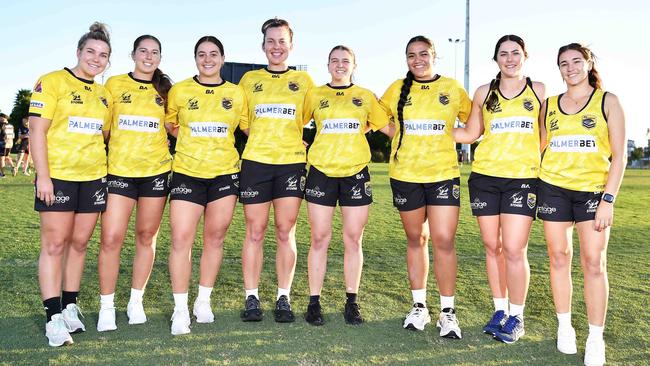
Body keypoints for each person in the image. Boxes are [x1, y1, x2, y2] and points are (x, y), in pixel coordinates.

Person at [538, 43, 625, 366]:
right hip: (553, 190)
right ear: (558, 69)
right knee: (559, 258)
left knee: (593, 263)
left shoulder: (608, 102)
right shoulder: (549, 105)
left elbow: (620, 155)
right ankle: (565, 327)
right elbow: (539, 148)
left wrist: (608, 199)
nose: (570, 67)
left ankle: (594, 337)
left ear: (589, 64)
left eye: (576, 61)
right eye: (564, 63)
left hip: (593, 193)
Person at [454, 35, 545, 343]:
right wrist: (426, 128)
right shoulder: (484, 92)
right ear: (496, 60)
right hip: (484, 178)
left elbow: (543, 135)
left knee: (515, 249)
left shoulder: (539, 91)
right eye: (503, 54)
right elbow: (471, 133)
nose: (510, 58)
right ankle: (500, 310)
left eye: (515, 53)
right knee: (493, 247)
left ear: (525, 56)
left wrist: (526, 159)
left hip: (523, 179)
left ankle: (517, 316)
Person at [380, 36, 471, 338]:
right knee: (416, 238)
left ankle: (448, 312)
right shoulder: (396, 89)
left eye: (423, 54)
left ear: (435, 55)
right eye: (411, 56)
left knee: (443, 240)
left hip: (443, 174)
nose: (417, 60)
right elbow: (378, 119)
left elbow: (473, 126)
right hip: (405, 175)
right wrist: (397, 133)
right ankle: (419, 306)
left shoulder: (452, 88)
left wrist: (448, 135)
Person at [28, 22, 112, 347]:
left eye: (103, 55)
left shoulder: (104, 96)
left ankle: (69, 306)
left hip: (93, 178)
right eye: (90, 51)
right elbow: (37, 131)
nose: (96, 58)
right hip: (58, 177)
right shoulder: (52, 82)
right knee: (54, 245)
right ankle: (52, 318)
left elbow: (102, 137)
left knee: (79, 244)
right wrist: (44, 176)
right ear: (78, 52)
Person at [302, 45, 389, 326]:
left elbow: (383, 125)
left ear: (354, 65)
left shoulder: (364, 96)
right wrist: (303, 144)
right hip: (321, 173)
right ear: (327, 65)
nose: (340, 65)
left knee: (353, 239)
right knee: (319, 238)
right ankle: (314, 302)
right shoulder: (315, 94)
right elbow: (297, 124)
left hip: (355, 173)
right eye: (335, 60)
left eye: (346, 61)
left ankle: (352, 301)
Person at [165, 36, 247, 335]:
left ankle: (203, 301)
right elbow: (170, 125)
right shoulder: (180, 91)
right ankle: (180, 309)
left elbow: (248, 127)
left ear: (222, 59)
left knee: (214, 239)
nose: (207, 59)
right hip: (187, 172)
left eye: (214, 54)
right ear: (195, 58)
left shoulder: (236, 94)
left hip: (225, 174)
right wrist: (191, 145)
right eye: (202, 54)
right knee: (181, 239)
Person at [238, 17, 314, 323]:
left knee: (286, 231)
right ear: (263, 45)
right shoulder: (248, 81)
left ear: (291, 46)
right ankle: (251, 297)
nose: (276, 47)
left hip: (291, 165)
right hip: (256, 163)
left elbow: (312, 116)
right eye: (271, 41)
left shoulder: (305, 83)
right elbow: (243, 123)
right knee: (254, 232)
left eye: (282, 41)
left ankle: (284, 295)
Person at [96, 35, 173, 332]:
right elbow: (102, 127)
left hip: (155, 173)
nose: (148, 56)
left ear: (160, 58)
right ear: (133, 54)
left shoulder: (167, 91)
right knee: (111, 239)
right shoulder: (114, 84)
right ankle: (107, 306)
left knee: (146, 237)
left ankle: (135, 300)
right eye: (143, 51)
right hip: (119, 172)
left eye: (155, 52)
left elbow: (175, 127)